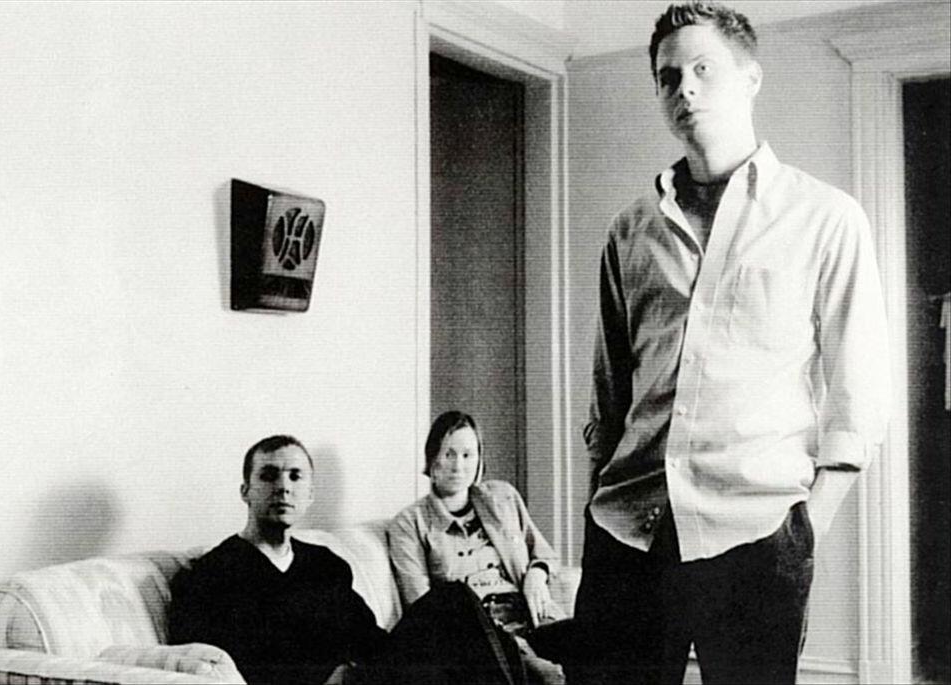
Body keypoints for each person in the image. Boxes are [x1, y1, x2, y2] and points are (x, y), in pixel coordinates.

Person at [571, 2, 891, 683]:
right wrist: (598, 503)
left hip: (756, 537)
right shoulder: (630, 230)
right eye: (668, 77)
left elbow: (860, 394)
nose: (683, 88)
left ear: (750, 79)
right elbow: (609, 390)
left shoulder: (826, 219)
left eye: (703, 69)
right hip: (628, 533)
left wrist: (805, 526)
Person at [169, 434, 527, 685]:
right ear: (245, 491)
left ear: (310, 495)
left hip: (366, 677)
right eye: (268, 475)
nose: (284, 487)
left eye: (295, 476)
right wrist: (325, 676)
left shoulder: (324, 564)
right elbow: (222, 668)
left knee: (452, 600)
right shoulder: (211, 574)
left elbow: (369, 639)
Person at [387, 411, 565, 684]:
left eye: (468, 455)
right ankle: (527, 665)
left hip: (531, 622)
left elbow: (545, 554)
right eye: (449, 454)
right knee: (454, 595)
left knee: (608, 636)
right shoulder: (409, 523)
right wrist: (517, 648)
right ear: (432, 458)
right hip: (475, 641)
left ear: (479, 460)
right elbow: (423, 607)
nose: (458, 465)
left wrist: (537, 574)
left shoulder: (504, 497)